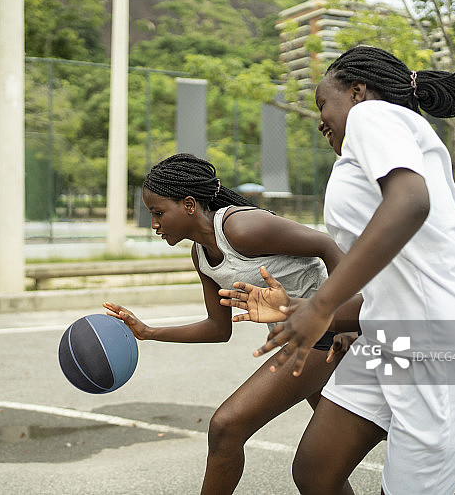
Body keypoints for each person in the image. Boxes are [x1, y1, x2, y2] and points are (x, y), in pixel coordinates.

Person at [220, 46, 455, 495]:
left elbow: (411, 202)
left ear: (357, 92)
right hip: (393, 345)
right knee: (315, 470)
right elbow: (390, 290)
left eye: (322, 103)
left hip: (445, 354)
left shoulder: (374, 116)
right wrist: (302, 307)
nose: (319, 120)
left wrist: (322, 305)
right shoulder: (379, 146)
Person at [102, 153, 362, 495]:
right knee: (324, 471)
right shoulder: (201, 255)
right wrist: (149, 332)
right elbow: (217, 328)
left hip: (325, 333)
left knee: (226, 426)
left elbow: (329, 246)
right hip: (302, 336)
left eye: (158, 213)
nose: (154, 224)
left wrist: (344, 318)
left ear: (190, 204)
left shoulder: (241, 228)